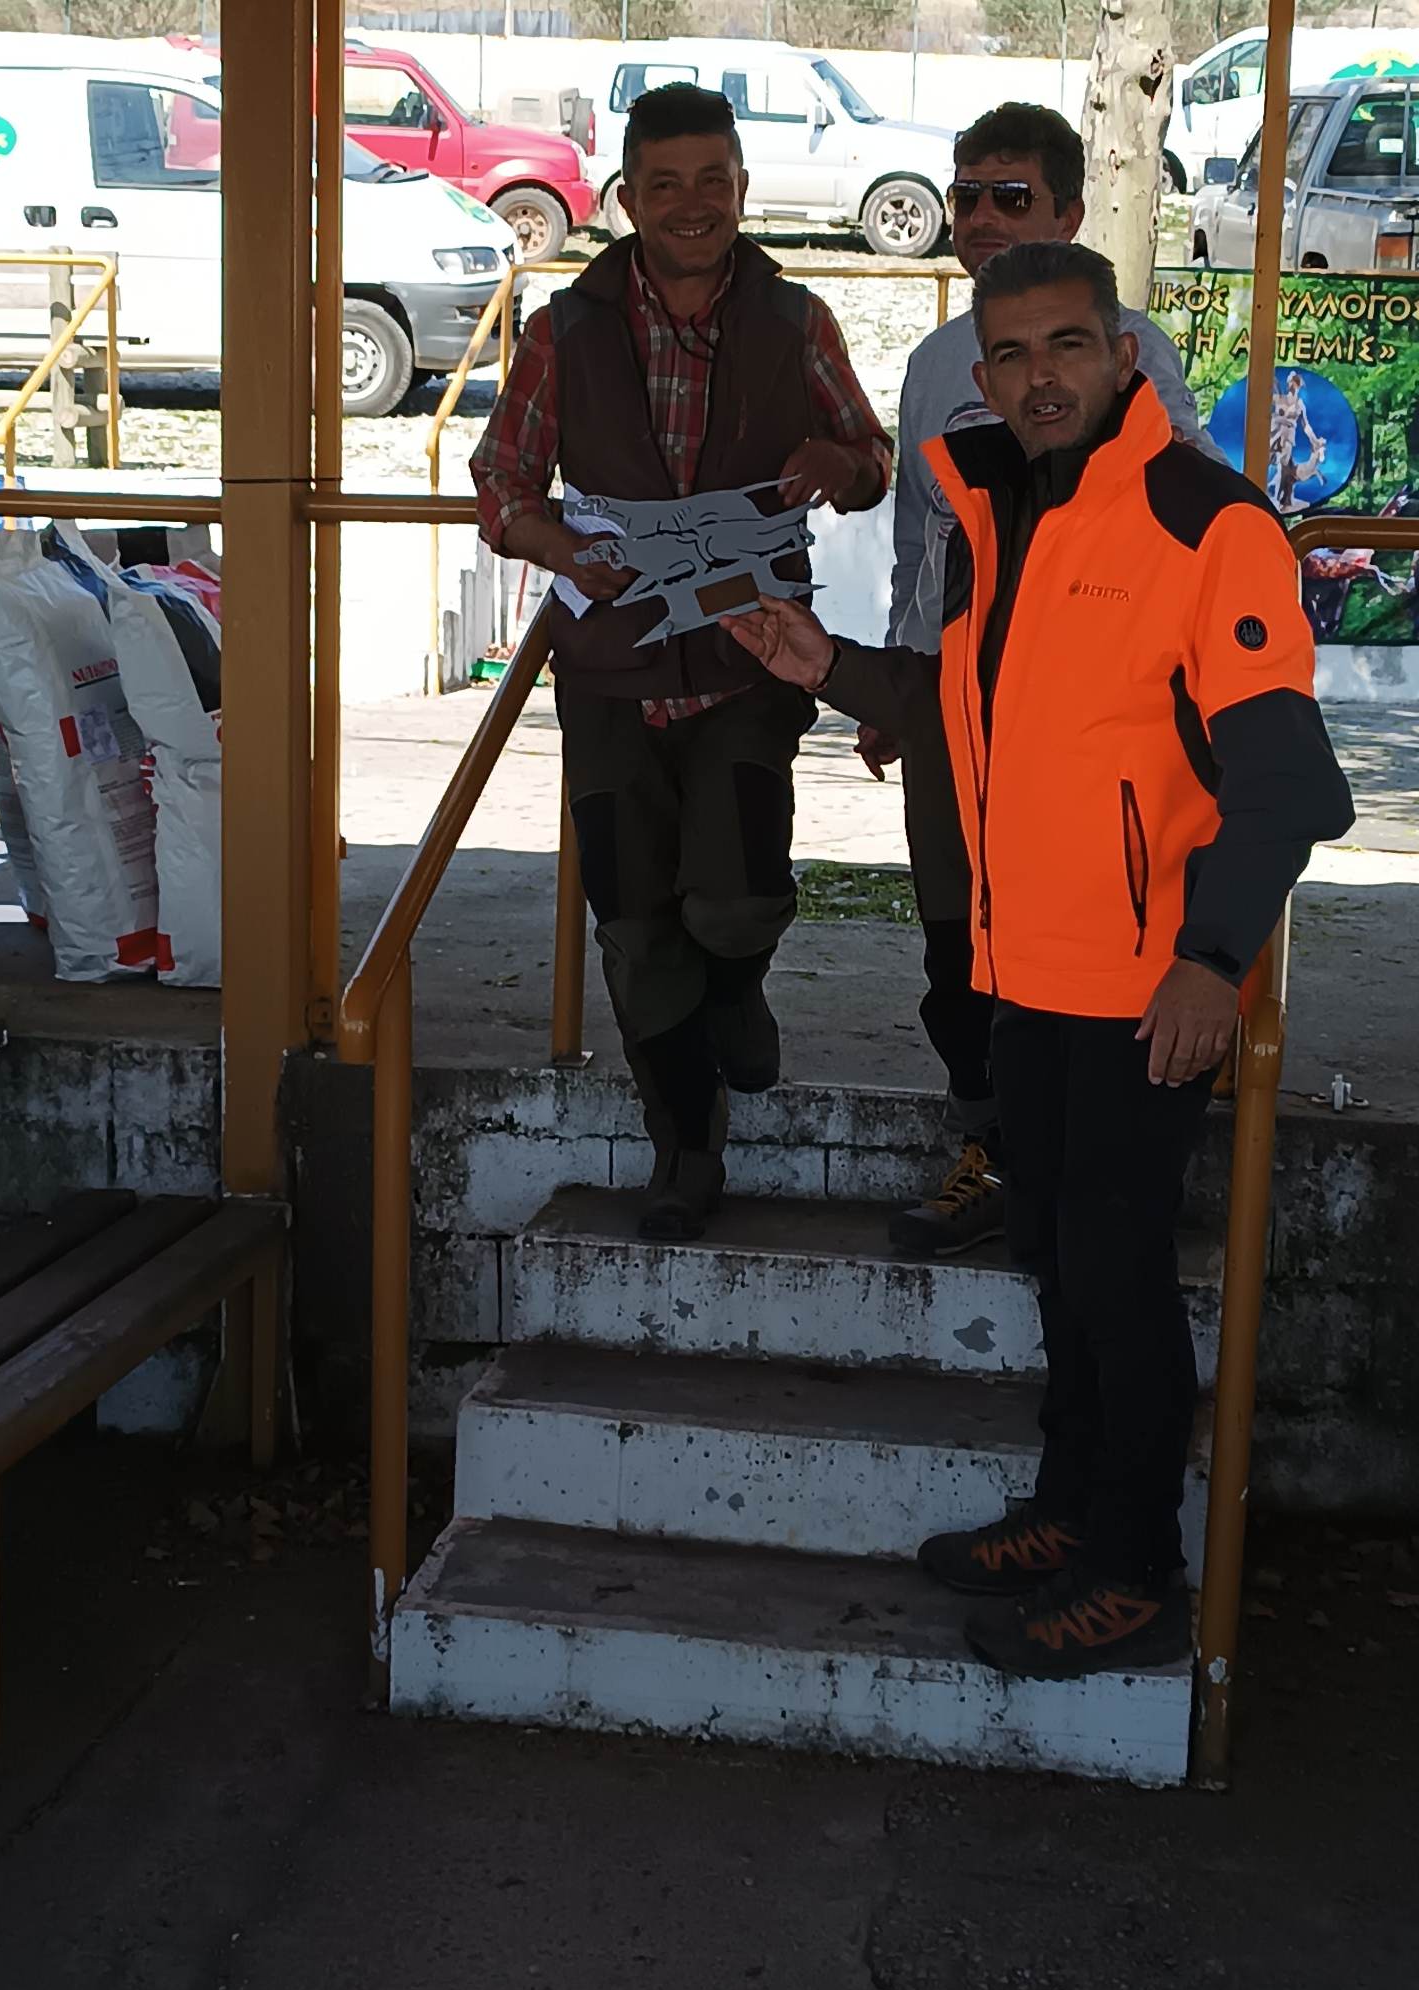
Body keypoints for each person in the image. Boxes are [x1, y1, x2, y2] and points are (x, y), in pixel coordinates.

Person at [723, 241, 1353, 1678]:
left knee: (1119, 1283)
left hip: (1146, 992)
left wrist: (1211, 962)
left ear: (1125, 356)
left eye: (1067, 344)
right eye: (1008, 354)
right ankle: (1070, 1513)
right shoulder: (1002, 512)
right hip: (1027, 978)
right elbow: (979, 710)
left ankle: (1133, 1570)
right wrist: (831, 667)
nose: (1038, 377)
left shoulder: (1206, 523)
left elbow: (1290, 787)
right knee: (1063, 1267)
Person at [471, 83, 891, 1242]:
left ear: (744, 189)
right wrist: (558, 545)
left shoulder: (798, 320)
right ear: (628, 198)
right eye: (666, 185)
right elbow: (501, 482)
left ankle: (740, 990)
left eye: (714, 181)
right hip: (609, 671)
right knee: (632, 920)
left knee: (737, 895)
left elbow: (874, 457)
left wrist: (843, 465)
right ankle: (684, 1145)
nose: (692, 204)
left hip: (752, 663)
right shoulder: (564, 329)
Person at [880, 103, 1215, 1260]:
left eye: (1011, 196)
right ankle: (995, 1149)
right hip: (954, 701)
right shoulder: (938, 365)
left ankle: (1095, 1166)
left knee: (1078, 949)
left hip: (1090, 709)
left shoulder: (1129, 350)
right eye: (966, 194)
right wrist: (905, 679)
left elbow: (1181, 509)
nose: (981, 216)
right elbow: (920, 536)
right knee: (956, 947)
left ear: (1070, 214)